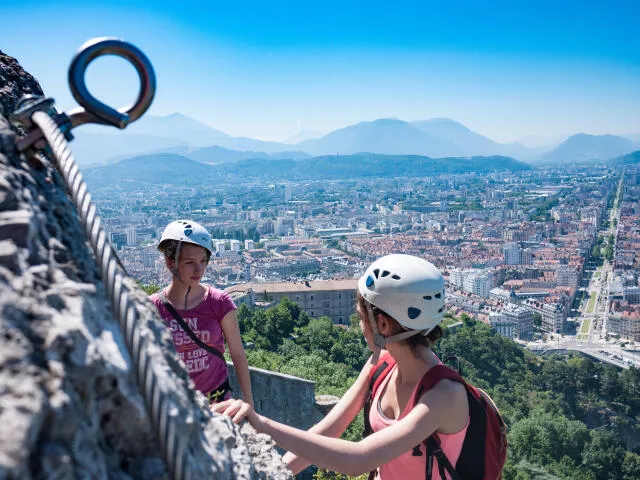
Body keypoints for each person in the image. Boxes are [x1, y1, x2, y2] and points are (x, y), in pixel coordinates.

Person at [213, 254, 469, 479]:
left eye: (361, 316)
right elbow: (327, 431)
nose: (359, 325)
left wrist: (260, 424)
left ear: (382, 325)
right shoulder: (381, 365)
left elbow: (358, 460)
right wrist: (273, 471)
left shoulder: (444, 396)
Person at [150, 220, 253, 406]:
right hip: (175, 406)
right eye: (190, 262)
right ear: (170, 263)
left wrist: (249, 404)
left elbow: (238, 355)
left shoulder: (219, 302)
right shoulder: (152, 308)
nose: (199, 270)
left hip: (217, 404)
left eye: (203, 261)